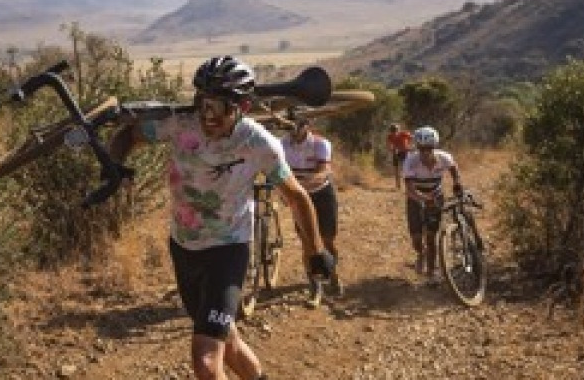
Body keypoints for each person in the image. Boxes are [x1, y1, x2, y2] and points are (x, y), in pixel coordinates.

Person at [108, 55, 335, 380]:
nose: (209, 116)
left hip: (228, 251)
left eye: (220, 107)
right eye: (204, 104)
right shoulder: (180, 123)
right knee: (227, 340)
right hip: (183, 247)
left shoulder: (259, 144)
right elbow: (127, 135)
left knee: (205, 360)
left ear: (241, 106)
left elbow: (297, 196)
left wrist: (315, 252)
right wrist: (117, 166)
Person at [280, 115, 342, 307]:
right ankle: (315, 288)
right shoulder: (281, 144)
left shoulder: (321, 144)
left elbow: (324, 171)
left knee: (328, 240)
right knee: (307, 242)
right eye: (289, 124)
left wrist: (296, 187)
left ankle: (332, 273)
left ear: (308, 125)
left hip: (322, 193)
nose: (293, 129)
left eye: (298, 124)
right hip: (299, 196)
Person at [401, 126, 463, 283]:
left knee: (431, 235)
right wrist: (422, 198)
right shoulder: (410, 160)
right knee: (416, 238)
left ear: (434, 147)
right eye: (421, 149)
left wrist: (457, 183)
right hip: (415, 197)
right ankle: (420, 253)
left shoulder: (444, 157)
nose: (425, 152)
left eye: (428, 148)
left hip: (436, 195)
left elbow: (454, 169)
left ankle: (431, 271)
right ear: (417, 147)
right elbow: (409, 188)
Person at [386, 123, 413, 190]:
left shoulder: (404, 134)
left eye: (395, 131)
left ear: (399, 130)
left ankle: (409, 186)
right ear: (390, 131)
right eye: (392, 131)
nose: (394, 133)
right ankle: (398, 186)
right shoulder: (389, 136)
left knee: (405, 169)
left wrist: (410, 146)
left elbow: (412, 138)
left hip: (405, 152)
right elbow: (389, 145)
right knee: (396, 170)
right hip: (396, 152)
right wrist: (392, 149)